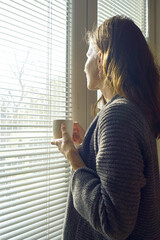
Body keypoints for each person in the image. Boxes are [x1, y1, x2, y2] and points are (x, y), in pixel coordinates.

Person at [51, 15, 160, 240]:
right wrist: (88, 149)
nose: (83, 65)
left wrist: (72, 156)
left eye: (89, 54)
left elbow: (113, 222)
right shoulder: (131, 110)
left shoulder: (118, 115)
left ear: (101, 58)